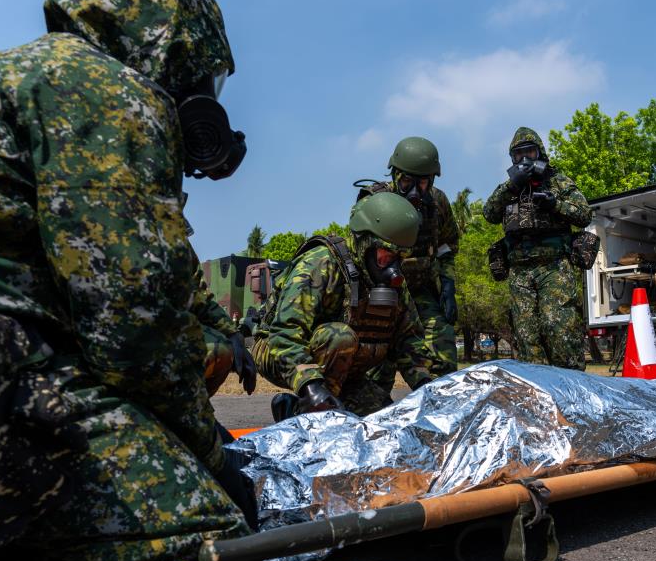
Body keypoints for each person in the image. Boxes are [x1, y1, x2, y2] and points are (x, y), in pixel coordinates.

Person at [0, 0, 257, 561]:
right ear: (178, 38)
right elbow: (132, 325)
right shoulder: (105, 89)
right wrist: (209, 457)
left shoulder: (4, 76)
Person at [252, 192, 435, 417]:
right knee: (339, 337)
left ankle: (309, 407)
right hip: (279, 349)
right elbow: (285, 332)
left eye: (400, 258)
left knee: (381, 422)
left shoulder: (393, 283)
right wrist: (310, 386)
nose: (393, 268)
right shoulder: (320, 264)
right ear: (364, 242)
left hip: (344, 366)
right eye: (386, 256)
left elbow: (410, 341)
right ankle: (304, 411)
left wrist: (428, 388)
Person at [483, 127, 592, 369]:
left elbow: (584, 214)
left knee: (560, 328)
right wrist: (511, 187)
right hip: (520, 271)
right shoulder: (509, 188)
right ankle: (536, 392)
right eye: (518, 155)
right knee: (526, 335)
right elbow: (489, 214)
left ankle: (572, 386)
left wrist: (555, 204)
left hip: (554, 267)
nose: (524, 159)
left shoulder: (558, 181)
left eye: (529, 152)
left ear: (540, 153)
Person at [359, 137, 460, 390]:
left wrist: (447, 284)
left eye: (422, 182)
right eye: (406, 182)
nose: (414, 190)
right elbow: (362, 248)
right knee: (377, 363)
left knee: (442, 347)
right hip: (384, 290)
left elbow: (447, 245)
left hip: (421, 289)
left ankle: (441, 409)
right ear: (395, 174)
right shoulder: (375, 200)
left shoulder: (438, 202)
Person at [193, 266, 258, 396]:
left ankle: (191, 408)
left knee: (222, 349)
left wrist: (233, 334)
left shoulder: (175, 248)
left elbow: (199, 297)